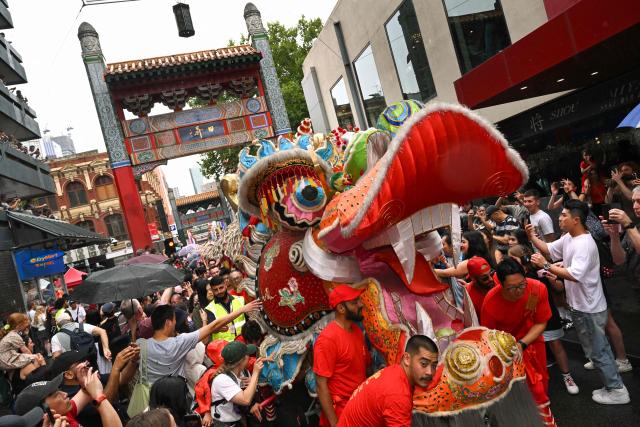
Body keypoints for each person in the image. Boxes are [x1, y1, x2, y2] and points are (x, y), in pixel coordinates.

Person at [528, 199, 630, 404]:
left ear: (576, 220)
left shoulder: (584, 242)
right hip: (580, 305)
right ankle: (608, 378)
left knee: (599, 349)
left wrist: (546, 266)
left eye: (564, 215)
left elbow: (575, 275)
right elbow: (548, 248)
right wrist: (532, 236)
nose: (560, 218)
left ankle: (617, 390)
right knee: (594, 349)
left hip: (589, 307)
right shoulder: (569, 238)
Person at [481, 258, 556, 425]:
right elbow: (488, 339)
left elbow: (541, 322)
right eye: (512, 288)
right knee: (518, 389)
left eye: (522, 285)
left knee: (541, 380)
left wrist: (522, 344)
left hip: (532, 339)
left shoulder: (537, 288)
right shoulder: (490, 303)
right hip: (505, 350)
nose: (519, 291)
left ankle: (541, 414)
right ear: (500, 284)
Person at [508, 245, 579, 395]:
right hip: (528, 319)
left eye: (513, 258)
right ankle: (538, 380)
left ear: (523, 259)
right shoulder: (513, 275)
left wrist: (553, 280)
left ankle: (567, 377)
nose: (510, 261)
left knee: (556, 344)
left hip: (546, 315)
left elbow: (559, 288)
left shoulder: (539, 272)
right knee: (533, 349)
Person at [141, 300, 260, 386]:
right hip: (175, 394)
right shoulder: (179, 342)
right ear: (168, 323)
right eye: (174, 320)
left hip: (151, 398)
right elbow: (213, 325)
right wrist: (242, 310)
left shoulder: (139, 346)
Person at [337, 335, 438, 427]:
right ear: (407, 359)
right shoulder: (397, 393)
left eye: (434, 365)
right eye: (424, 364)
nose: (430, 372)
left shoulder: (396, 372)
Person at [314, 285, 370, 427]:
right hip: (341, 413)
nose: (360, 304)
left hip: (359, 408)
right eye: (354, 302)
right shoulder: (327, 339)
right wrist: (335, 423)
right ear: (341, 308)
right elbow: (321, 385)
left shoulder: (356, 331)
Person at [15, 368, 122, 427]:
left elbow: (85, 392)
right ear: (45, 413)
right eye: (56, 395)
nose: (65, 394)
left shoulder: (63, 414)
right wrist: (99, 396)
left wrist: (84, 382)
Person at [209, 341, 267, 427]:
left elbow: (250, 394)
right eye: (247, 354)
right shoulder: (221, 380)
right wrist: (255, 373)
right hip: (225, 424)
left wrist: (254, 402)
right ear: (241, 361)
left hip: (239, 420)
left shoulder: (244, 372)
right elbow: (245, 399)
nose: (250, 356)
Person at [0, 313, 46, 380]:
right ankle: (44, 377)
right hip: (6, 360)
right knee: (38, 357)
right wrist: (35, 358)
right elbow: (26, 351)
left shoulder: (10, 333)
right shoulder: (14, 335)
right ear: (19, 325)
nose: (27, 325)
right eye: (25, 324)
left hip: (5, 361)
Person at [204, 272, 246, 342]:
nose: (219, 291)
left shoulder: (240, 300)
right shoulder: (209, 309)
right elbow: (211, 329)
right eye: (215, 290)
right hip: (224, 348)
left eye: (221, 288)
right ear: (212, 290)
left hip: (244, 342)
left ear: (226, 285)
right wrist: (217, 329)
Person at [456, 256, 495, 322]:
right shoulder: (470, 300)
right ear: (474, 279)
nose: (491, 279)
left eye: (491, 273)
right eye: (485, 278)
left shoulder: (498, 278)